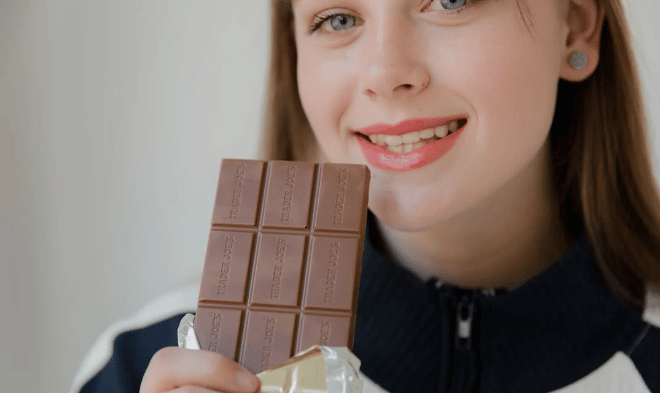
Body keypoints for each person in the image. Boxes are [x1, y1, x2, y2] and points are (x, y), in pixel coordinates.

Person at [70, 0, 660, 392]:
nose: (384, 70)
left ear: (577, 25)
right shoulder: (138, 366)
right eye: (338, 18)